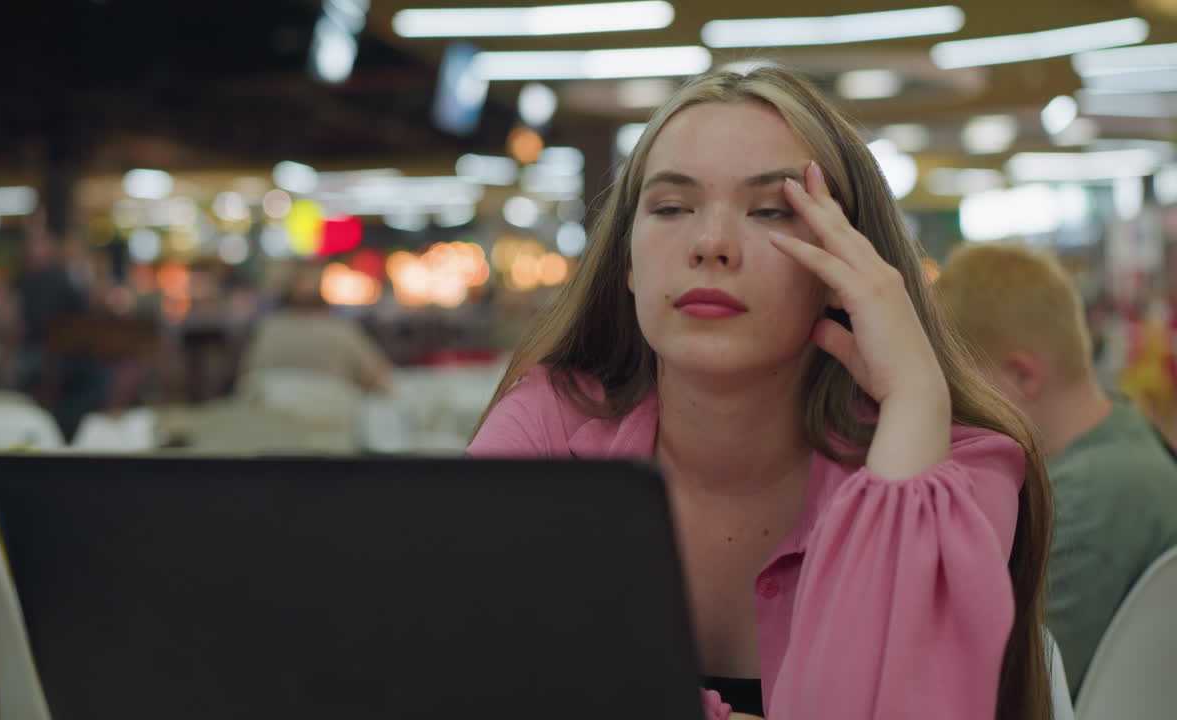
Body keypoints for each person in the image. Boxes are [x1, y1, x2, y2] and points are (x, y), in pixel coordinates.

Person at [468, 66, 1053, 720]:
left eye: (771, 210)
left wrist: (916, 395)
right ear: (627, 264)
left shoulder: (956, 468)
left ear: (845, 265)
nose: (712, 244)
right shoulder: (544, 432)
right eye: (670, 208)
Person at [936, 241, 1177, 698]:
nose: (951, 411)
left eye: (958, 386)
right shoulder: (1127, 439)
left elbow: (1011, 690)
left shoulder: (1086, 498)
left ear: (1024, 376)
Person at [241, 262, 393, 393]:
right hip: (332, 422)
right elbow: (379, 378)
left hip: (270, 420)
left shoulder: (269, 329)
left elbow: (247, 382)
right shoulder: (340, 330)